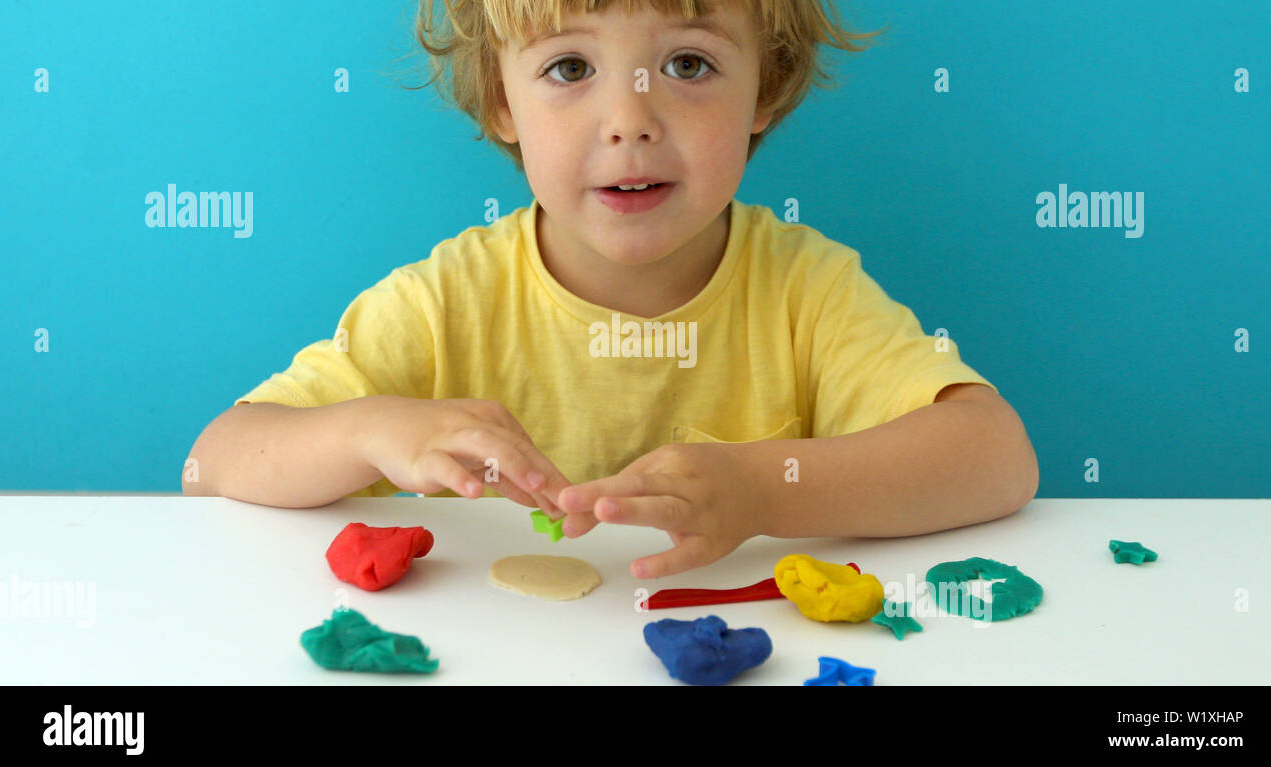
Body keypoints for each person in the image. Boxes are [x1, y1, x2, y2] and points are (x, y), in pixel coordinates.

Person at [184, 0, 1038, 579]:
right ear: (500, 101)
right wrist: (375, 427)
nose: (630, 118)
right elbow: (214, 458)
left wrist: (764, 489)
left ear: (765, 92)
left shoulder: (804, 291)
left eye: (689, 63)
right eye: (568, 70)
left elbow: (997, 456)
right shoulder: (445, 303)